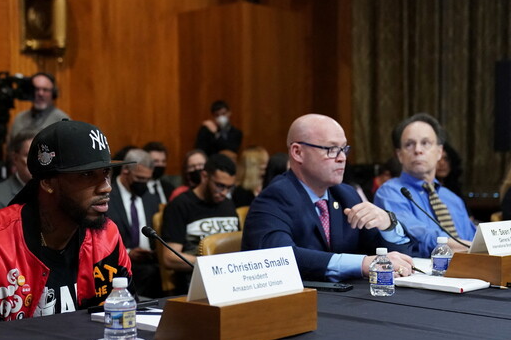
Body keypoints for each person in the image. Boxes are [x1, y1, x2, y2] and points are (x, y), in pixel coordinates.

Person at [0, 120, 133, 328]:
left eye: (106, 173)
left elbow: (122, 320)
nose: (106, 188)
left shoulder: (106, 236)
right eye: (87, 175)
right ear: (47, 182)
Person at [243, 114, 415, 282]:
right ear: (298, 152)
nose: (342, 158)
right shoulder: (275, 197)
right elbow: (280, 257)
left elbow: (399, 259)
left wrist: (388, 225)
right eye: (331, 149)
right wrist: (361, 263)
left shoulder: (346, 195)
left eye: (344, 149)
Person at [374, 113, 475, 257]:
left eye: (425, 143)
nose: (417, 150)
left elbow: (474, 238)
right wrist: (469, 249)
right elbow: (420, 237)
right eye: (409, 144)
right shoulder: (390, 193)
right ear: (399, 155)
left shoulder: (453, 199)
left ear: (439, 152)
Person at [161, 154, 240, 294]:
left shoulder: (228, 205)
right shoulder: (180, 205)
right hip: (195, 283)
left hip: (231, 280)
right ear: (205, 176)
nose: (224, 193)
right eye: (220, 186)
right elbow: (169, 258)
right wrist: (212, 265)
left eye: (229, 188)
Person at [107, 149, 162, 298]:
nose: (143, 183)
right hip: (118, 266)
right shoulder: (107, 197)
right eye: (139, 178)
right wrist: (129, 253)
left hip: (150, 262)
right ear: (125, 170)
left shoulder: (150, 198)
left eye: (147, 179)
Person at [0, 129, 36, 217]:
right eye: (29, 155)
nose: (35, 161)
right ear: (15, 159)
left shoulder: (52, 191)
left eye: (39, 155)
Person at [9, 72, 69, 140]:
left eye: (45, 90)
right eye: (36, 89)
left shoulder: (62, 120)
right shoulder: (19, 119)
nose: (40, 93)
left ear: (53, 93)